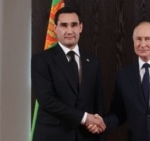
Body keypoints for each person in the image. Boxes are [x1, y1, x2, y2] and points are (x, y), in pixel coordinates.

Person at [31, 6, 106, 141]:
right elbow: (46, 100)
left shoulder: (93, 61)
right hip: (53, 136)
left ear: (80, 27)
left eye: (74, 25)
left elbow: (98, 100)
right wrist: (84, 117)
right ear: (55, 29)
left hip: (87, 136)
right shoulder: (41, 60)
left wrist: (96, 121)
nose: (69, 31)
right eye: (64, 25)